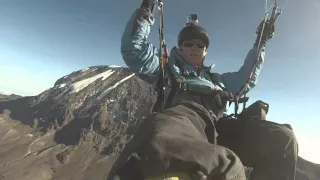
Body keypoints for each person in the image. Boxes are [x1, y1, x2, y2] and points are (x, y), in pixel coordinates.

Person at [106, 1, 298, 180]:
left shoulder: (216, 80)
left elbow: (246, 77)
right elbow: (134, 49)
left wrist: (261, 42)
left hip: (218, 125)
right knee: (163, 141)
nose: (195, 48)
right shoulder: (166, 69)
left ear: (205, 52)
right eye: (188, 43)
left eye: (200, 45)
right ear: (180, 47)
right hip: (185, 115)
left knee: (283, 139)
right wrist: (147, 7)